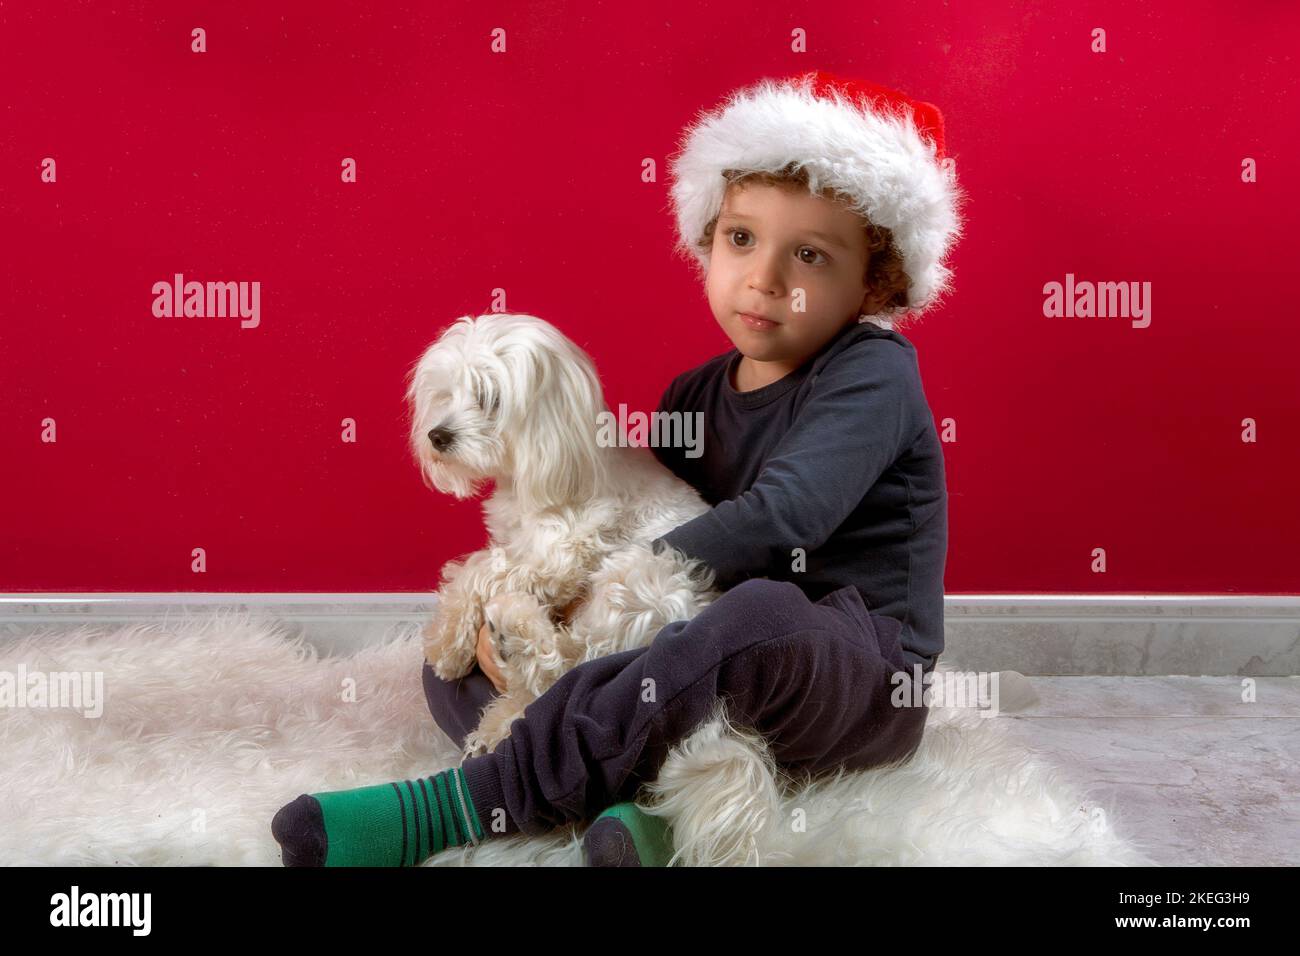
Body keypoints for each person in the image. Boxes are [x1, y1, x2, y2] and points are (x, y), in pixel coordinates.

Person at [271, 69, 966, 867]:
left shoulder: (872, 372)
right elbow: (640, 513)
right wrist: (544, 613)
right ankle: (662, 805)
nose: (764, 278)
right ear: (705, 238)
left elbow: (785, 519)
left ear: (874, 283)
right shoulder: (693, 395)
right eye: (741, 239)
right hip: (696, 655)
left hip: (847, 669)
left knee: (755, 617)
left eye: (807, 254)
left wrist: (622, 585)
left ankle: (463, 803)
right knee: (454, 666)